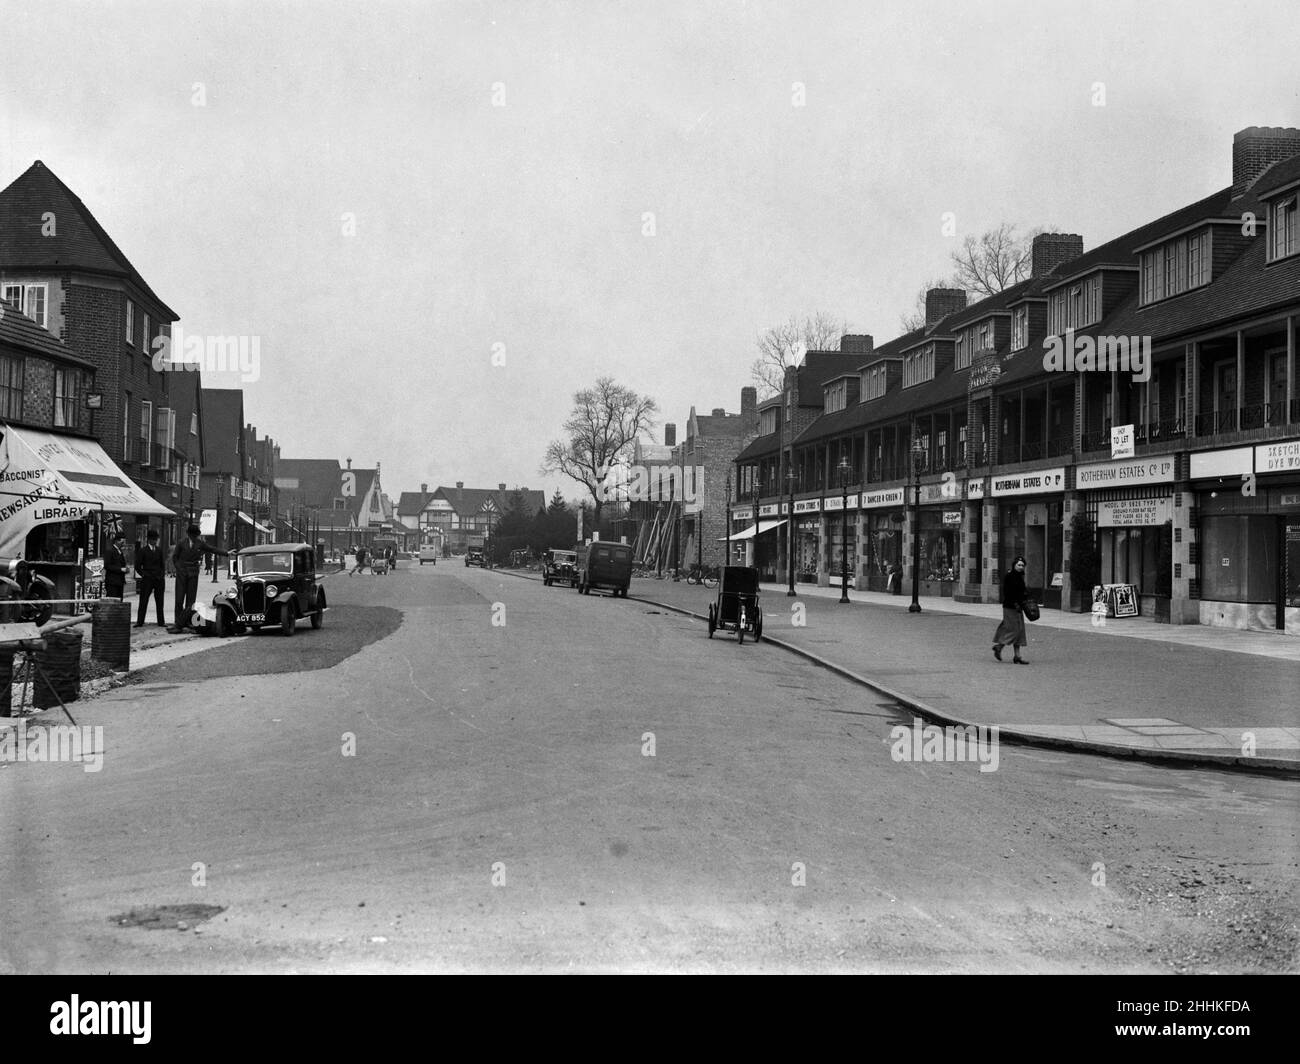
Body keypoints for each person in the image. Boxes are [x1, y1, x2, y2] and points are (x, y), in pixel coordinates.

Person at [171, 524, 217, 632]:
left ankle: (187, 622)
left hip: (193, 573)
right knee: (179, 599)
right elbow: (175, 557)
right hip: (182, 573)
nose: (193, 537)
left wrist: (226, 554)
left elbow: (212, 549)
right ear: (188, 534)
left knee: (191, 601)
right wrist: (179, 568)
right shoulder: (181, 543)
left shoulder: (199, 543)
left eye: (195, 536)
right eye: (192, 535)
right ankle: (177, 622)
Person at [992, 555, 1029, 664]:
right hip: (1010, 606)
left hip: (1018, 607)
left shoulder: (1020, 576)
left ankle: (1017, 656)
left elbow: (1022, 591)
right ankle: (999, 647)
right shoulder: (1010, 576)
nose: (1021, 567)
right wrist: (1015, 602)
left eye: (1023, 565)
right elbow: (1008, 592)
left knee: (1019, 630)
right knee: (1014, 630)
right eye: (1019, 565)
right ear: (1014, 565)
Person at [134, 528, 166, 626]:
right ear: (149, 540)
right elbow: (137, 566)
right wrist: (144, 574)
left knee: (160, 602)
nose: (154, 541)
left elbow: (162, 565)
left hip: (158, 579)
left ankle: (161, 622)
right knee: (143, 601)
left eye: (155, 539)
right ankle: (140, 622)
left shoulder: (159, 550)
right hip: (147, 579)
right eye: (153, 539)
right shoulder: (143, 551)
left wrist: (161, 576)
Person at [104, 533, 128, 599]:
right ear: (117, 541)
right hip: (112, 582)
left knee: (119, 602)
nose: (123, 544)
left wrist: (125, 569)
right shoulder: (110, 551)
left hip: (120, 582)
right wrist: (120, 569)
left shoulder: (120, 551)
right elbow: (107, 565)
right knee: (112, 601)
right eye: (122, 542)